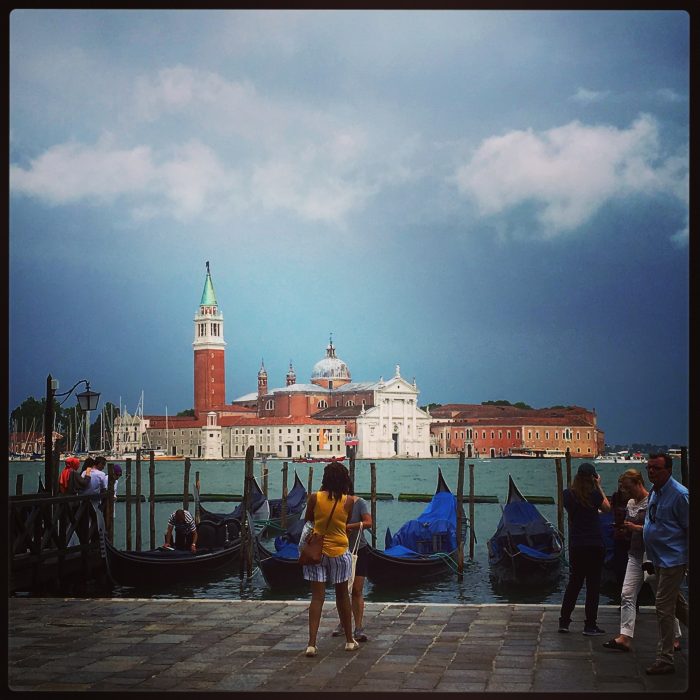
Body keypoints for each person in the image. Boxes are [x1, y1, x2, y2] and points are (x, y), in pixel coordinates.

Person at [602, 469, 682, 653]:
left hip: (653, 557)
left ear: (639, 483)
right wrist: (625, 530)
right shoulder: (631, 503)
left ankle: (675, 637)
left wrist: (636, 528)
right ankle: (625, 636)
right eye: (623, 489)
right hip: (634, 554)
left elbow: (657, 528)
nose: (626, 493)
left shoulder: (652, 502)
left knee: (663, 600)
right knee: (627, 594)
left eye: (628, 488)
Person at [301, 461, 359, 657]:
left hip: (317, 551)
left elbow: (309, 519)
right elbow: (345, 521)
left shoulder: (314, 498)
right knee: (343, 596)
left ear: (325, 479)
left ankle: (311, 644)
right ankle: (350, 640)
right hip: (339, 551)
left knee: (317, 598)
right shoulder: (349, 501)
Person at [642, 453, 689, 676]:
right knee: (678, 606)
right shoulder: (655, 491)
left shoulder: (680, 496)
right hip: (659, 558)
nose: (651, 472)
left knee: (663, 607)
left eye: (656, 468)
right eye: (649, 468)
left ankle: (666, 658)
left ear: (668, 470)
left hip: (674, 559)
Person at [558, 462, 611, 635]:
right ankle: (590, 625)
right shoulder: (595, 495)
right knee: (593, 586)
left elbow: (572, 508)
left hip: (577, 545)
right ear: (593, 477)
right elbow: (607, 508)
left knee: (574, 583)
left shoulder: (567, 495)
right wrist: (599, 485)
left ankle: (564, 622)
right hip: (594, 544)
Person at [332, 489, 373, 642]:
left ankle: (358, 627)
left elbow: (368, 522)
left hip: (358, 550)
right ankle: (343, 623)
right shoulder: (331, 503)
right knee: (341, 590)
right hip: (338, 549)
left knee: (357, 589)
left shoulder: (359, 503)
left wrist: (350, 526)